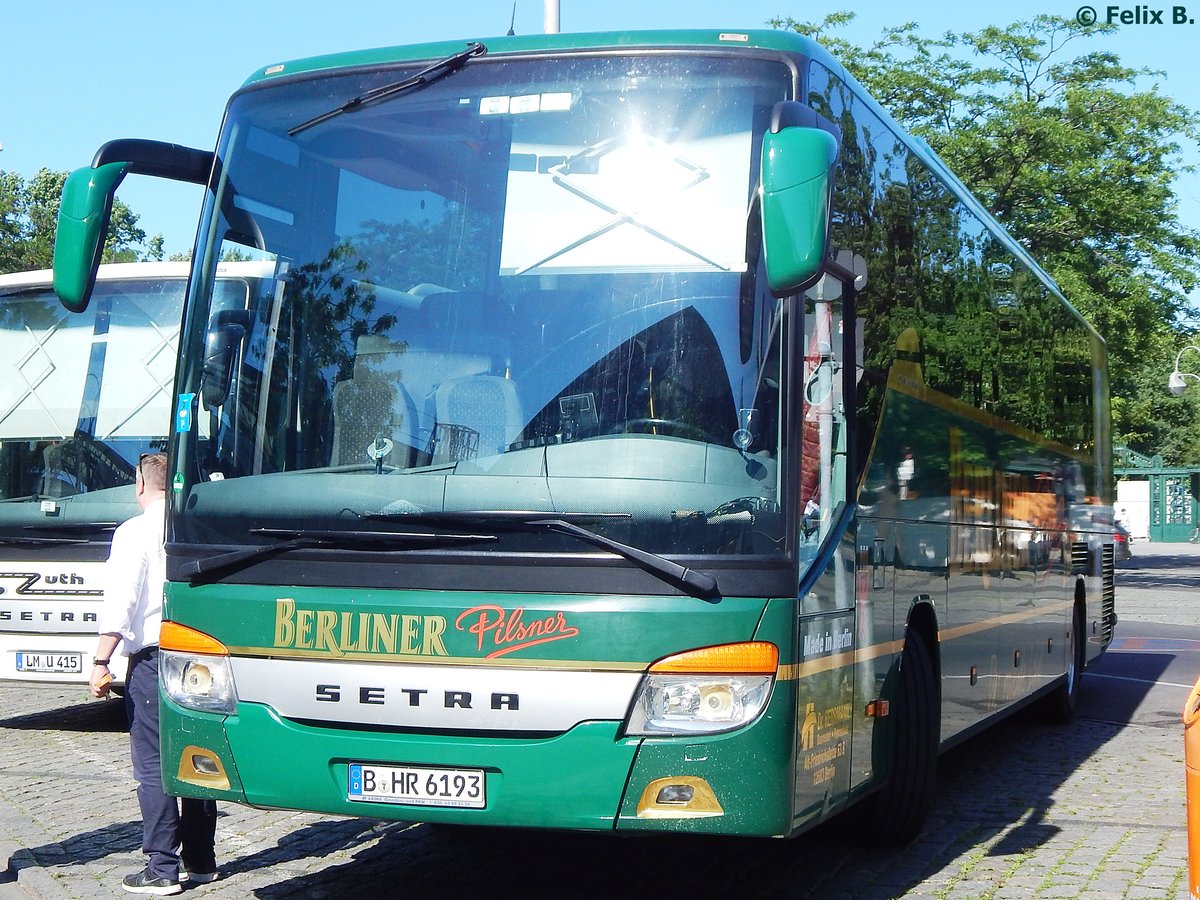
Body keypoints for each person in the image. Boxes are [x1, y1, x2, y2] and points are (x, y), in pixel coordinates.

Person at [89, 452, 218, 896]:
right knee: (199, 756)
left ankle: (162, 868)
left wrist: (101, 659)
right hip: (202, 657)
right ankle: (201, 860)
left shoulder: (134, 531)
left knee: (154, 763)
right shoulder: (195, 526)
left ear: (140, 484)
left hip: (153, 658)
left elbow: (122, 600)